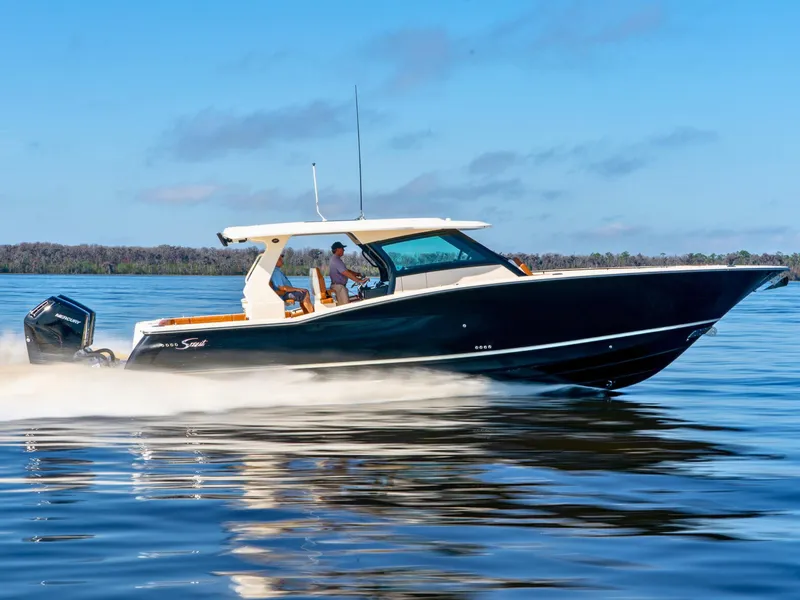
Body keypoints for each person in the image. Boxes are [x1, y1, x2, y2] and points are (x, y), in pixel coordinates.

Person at [329, 241, 367, 305]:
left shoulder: (335, 259)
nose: (344, 250)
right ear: (337, 249)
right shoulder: (336, 260)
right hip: (339, 288)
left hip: (339, 286)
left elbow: (346, 270)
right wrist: (359, 281)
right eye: (342, 248)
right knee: (344, 307)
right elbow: (345, 272)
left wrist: (357, 274)